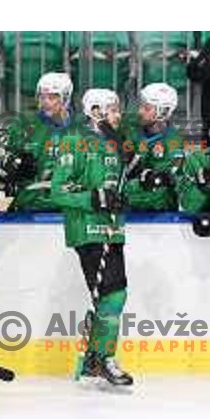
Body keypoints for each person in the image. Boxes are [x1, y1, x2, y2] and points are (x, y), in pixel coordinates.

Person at [51, 88, 133, 386]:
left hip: (112, 229)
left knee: (111, 295)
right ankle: (103, 359)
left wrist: (126, 195)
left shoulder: (115, 142)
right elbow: (58, 189)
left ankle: (93, 360)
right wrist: (95, 198)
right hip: (87, 229)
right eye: (112, 109)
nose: (118, 114)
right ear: (95, 111)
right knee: (114, 294)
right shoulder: (74, 140)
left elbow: (118, 187)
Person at [0, 72, 75, 211]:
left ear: (66, 98)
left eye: (52, 97)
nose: (45, 102)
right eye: (42, 96)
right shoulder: (22, 126)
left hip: (70, 209)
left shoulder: (83, 130)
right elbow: (2, 169)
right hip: (29, 206)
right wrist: (13, 169)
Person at [124, 83, 184, 211]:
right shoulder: (132, 126)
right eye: (140, 106)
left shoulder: (173, 142)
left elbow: (158, 189)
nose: (140, 111)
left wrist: (123, 192)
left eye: (146, 108)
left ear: (162, 112)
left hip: (156, 212)